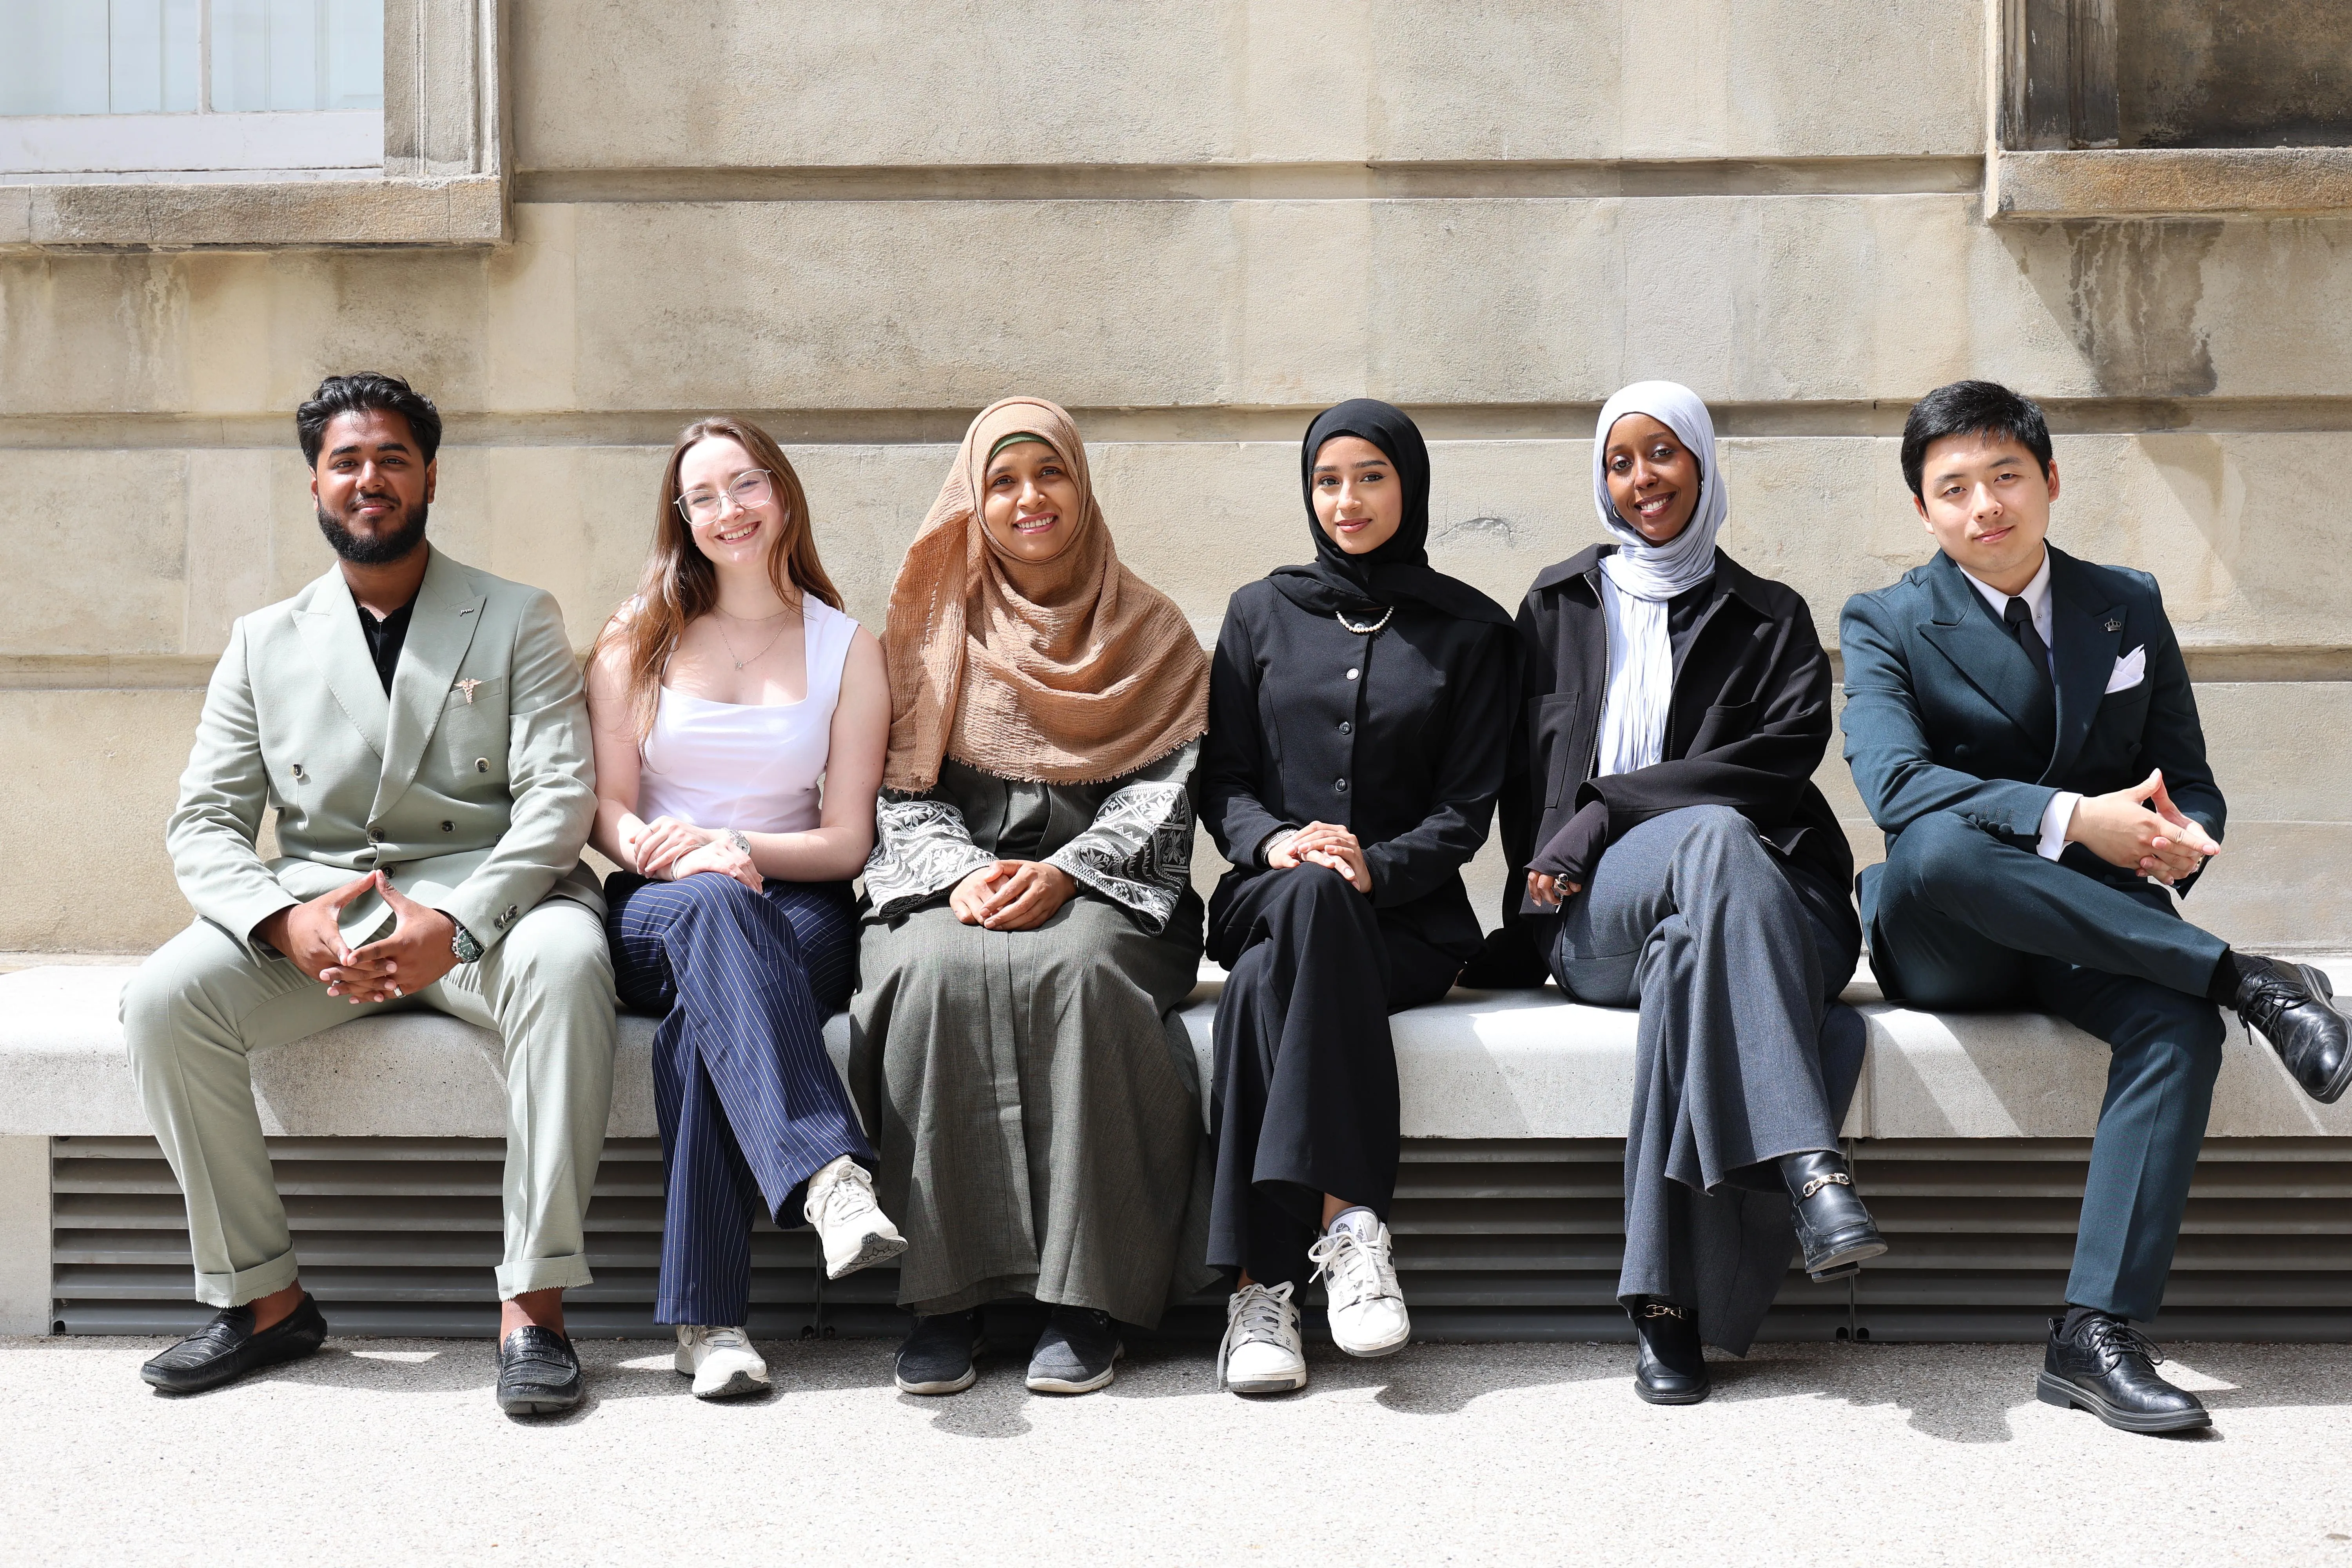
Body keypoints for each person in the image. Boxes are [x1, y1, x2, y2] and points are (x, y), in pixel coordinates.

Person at [1840, 379, 2351, 1436]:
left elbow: (2188, 775)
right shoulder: (1887, 621)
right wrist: (2076, 819)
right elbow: (1895, 790)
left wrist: (2179, 840)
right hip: (1954, 934)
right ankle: (2246, 977)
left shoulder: (2126, 601)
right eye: (1956, 488)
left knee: (2174, 1024)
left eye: (2006, 475)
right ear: (1925, 512)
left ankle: (2095, 1335)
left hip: (2093, 924)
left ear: (2050, 481)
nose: (1986, 502)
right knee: (1934, 849)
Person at [119, 372, 618, 1416]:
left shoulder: (518, 616)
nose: (370, 479)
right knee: (168, 999)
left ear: (430, 475)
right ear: (315, 484)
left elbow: (559, 800)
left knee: (572, 963)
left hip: (492, 905)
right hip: (327, 918)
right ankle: (262, 1301)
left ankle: (533, 1306)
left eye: (393, 458)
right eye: (347, 461)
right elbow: (204, 824)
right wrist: (281, 921)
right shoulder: (264, 640)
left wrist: (461, 922)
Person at [1460, 381, 1881, 1406]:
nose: (1641, 477)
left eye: (1662, 454)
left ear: (1700, 463)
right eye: (1620, 460)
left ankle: (1667, 1310)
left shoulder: (1770, 617)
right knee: (1710, 841)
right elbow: (1502, 778)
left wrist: (1604, 804)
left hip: (1779, 905)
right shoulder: (1555, 607)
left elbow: (1777, 766)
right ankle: (1810, 1166)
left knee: (1699, 941)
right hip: (1598, 914)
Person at [851, 397, 1217, 1398]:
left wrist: (1070, 870)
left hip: (1110, 888)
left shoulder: (1153, 631)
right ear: (974, 500)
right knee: (926, 975)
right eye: (1002, 480)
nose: (1028, 498)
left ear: (1082, 484)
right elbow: (891, 790)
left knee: (1083, 972)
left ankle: (1086, 1300)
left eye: (1047, 473)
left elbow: (1167, 792)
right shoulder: (928, 630)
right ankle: (944, 1299)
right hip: (946, 883)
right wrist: (966, 871)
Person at [1198, 399, 1515, 1396]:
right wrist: (1280, 841)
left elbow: (1469, 808)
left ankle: (1261, 1291)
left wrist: (1375, 861)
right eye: (1330, 479)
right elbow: (1225, 780)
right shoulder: (1259, 611)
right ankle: (1350, 1220)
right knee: (1309, 901)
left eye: (1372, 477)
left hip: (1407, 922)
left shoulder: (1474, 629)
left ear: (1410, 486)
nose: (1349, 499)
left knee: (1261, 990)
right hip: (1270, 888)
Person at [585, 416, 905, 1401]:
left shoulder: (846, 646)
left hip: (801, 905)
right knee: (714, 915)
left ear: (784, 493)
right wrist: (662, 852)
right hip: (655, 904)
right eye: (705, 496)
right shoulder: (636, 636)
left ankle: (710, 1322)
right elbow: (606, 807)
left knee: (701, 1029)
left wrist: (737, 849)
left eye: (747, 485)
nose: (730, 511)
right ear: (681, 518)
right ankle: (829, 1172)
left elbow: (848, 838)